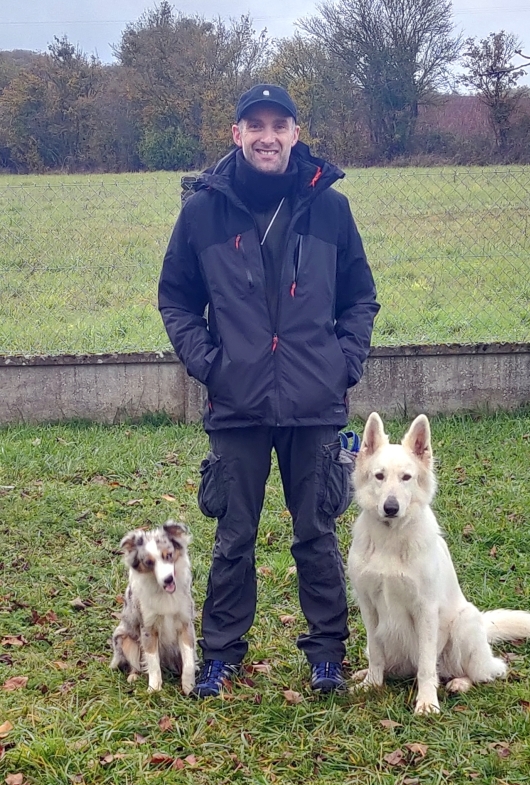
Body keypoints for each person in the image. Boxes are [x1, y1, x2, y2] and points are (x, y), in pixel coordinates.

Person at [158, 84, 379, 697]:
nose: (266, 136)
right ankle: (223, 653)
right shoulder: (203, 210)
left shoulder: (329, 208)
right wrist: (213, 365)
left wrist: (343, 363)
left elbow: (360, 296)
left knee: (316, 532)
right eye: (254, 125)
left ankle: (327, 654)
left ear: (294, 133)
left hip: (316, 405)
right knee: (235, 537)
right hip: (238, 405)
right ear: (236, 134)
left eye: (278, 125)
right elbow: (175, 299)